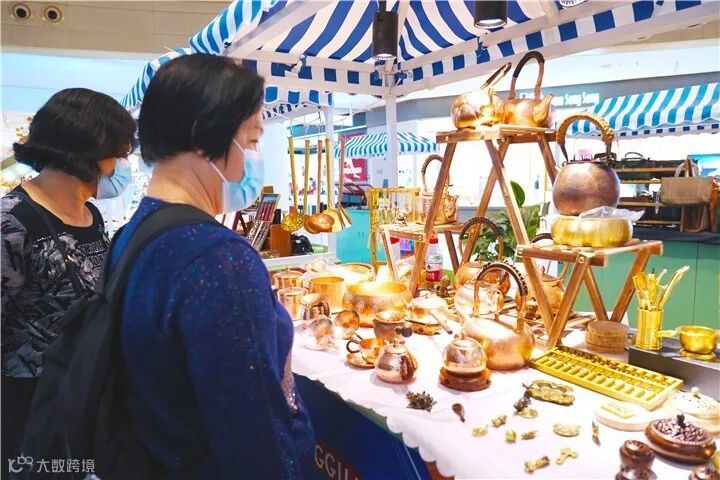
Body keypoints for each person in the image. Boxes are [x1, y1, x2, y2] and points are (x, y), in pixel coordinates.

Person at [110, 54, 313, 478]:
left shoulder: (135, 233)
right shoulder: (218, 259)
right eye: (252, 140)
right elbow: (255, 441)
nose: (254, 157)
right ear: (207, 134)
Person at [1, 88, 135, 470]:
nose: (120, 166)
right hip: (31, 408)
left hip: (86, 394)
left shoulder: (91, 215)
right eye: (118, 154)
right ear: (86, 151)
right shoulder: (12, 221)